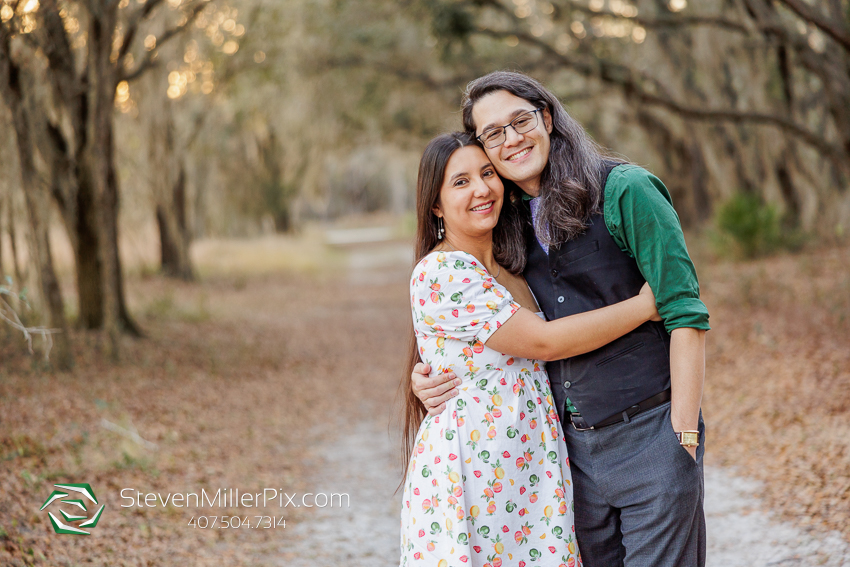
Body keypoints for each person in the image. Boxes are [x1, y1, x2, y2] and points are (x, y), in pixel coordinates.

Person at [411, 72, 710, 567]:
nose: (511, 140)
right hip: (564, 462)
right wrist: (427, 378)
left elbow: (685, 312)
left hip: (651, 436)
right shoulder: (502, 227)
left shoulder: (626, 190)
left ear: (546, 118)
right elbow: (510, 339)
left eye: (521, 120)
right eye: (493, 134)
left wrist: (683, 437)